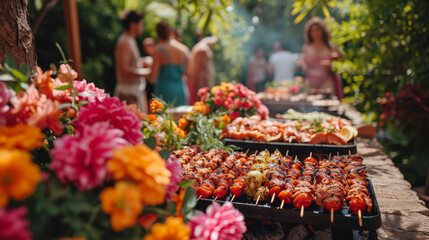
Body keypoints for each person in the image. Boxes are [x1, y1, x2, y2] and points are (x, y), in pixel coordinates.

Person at [145, 21, 188, 106]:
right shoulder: (184, 49)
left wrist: (144, 70)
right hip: (181, 91)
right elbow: (187, 74)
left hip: (164, 92)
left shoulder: (159, 50)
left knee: (164, 118)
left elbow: (152, 77)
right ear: (170, 31)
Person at [300, 16, 343, 99]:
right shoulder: (306, 48)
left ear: (322, 31)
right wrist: (303, 66)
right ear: (309, 33)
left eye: (317, 30)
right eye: (312, 31)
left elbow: (340, 65)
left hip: (327, 83)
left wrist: (332, 64)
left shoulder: (331, 47)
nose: (315, 33)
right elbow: (304, 66)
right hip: (311, 84)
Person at [114, 10, 149, 113]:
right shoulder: (124, 41)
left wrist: (142, 63)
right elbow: (124, 70)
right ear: (133, 25)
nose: (142, 27)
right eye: (141, 24)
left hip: (134, 92)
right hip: (128, 94)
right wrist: (148, 72)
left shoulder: (130, 40)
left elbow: (130, 63)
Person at [187, 36, 217, 104]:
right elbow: (201, 70)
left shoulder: (198, 47)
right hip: (200, 82)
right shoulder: (203, 49)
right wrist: (210, 86)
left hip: (195, 81)